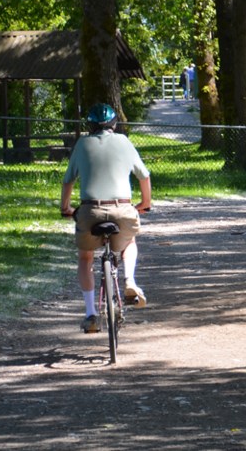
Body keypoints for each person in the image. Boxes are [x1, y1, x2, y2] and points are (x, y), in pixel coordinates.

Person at [60, 103, 152, 334]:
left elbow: (68, 180)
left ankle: (91, 313)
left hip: (90, 211)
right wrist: (144, 204)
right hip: (122, 209)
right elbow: (144, 175)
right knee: (129, 241)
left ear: (90, 126)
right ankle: (130, 280)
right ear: (114, 124)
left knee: (85, 257)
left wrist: (66, 208)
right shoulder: (124, 142)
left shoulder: (82, 144)